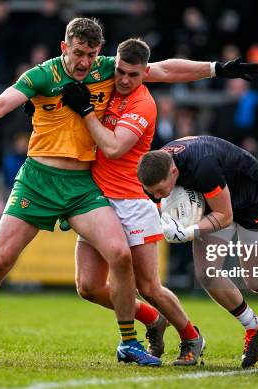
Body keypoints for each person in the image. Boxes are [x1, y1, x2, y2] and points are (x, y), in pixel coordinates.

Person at [0, 17, 258, 365]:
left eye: (91, 54)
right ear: (65, 48)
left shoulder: (110, 70)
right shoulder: (43, 75)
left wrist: (217, 68)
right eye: (78, 53)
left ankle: (130, 342)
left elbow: (165, 70)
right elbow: (3, 102)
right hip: (38, 180)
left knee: (120, 256)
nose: (85, 62)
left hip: (82, 186)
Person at [60, 38, 204, 365]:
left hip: (132, 203)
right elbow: (69, 70)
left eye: (133, 75)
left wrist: (84, 111)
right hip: (96, 201)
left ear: (144, 74)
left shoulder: (144, 104)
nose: (125, 80)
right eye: (121, 72)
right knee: (88, 286)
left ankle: (192, 336)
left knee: (149, 285)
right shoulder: (108, 77)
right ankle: (153, 318)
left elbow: (112, 148)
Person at [137, 136, 258, 368]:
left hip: (251, 199)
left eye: (159, 191)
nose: (156, 196)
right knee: (207, 273)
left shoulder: (202, 167)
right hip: (213, 201)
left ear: (174, 172)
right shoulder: (157, 166)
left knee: (256, 279)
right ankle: (253, 326)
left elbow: (225, 215)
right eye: (151, 192)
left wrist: (188, 232)